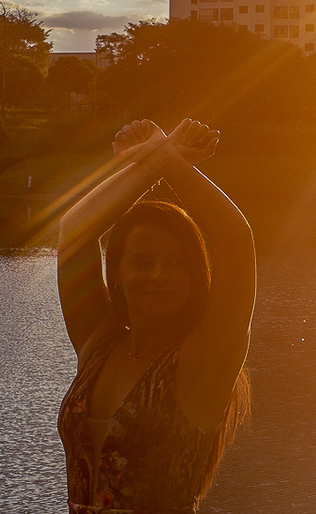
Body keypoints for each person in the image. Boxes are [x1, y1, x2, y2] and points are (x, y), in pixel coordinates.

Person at [56, 118, 256, 512]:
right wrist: (153, 162)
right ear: (118, 274)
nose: (159, 276)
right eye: (143, 262)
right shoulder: (99, 343)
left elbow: (235, 238)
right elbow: (72, 231)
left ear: (196, 275)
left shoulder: (204, 360)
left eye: (176, 263)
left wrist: (164, 157)